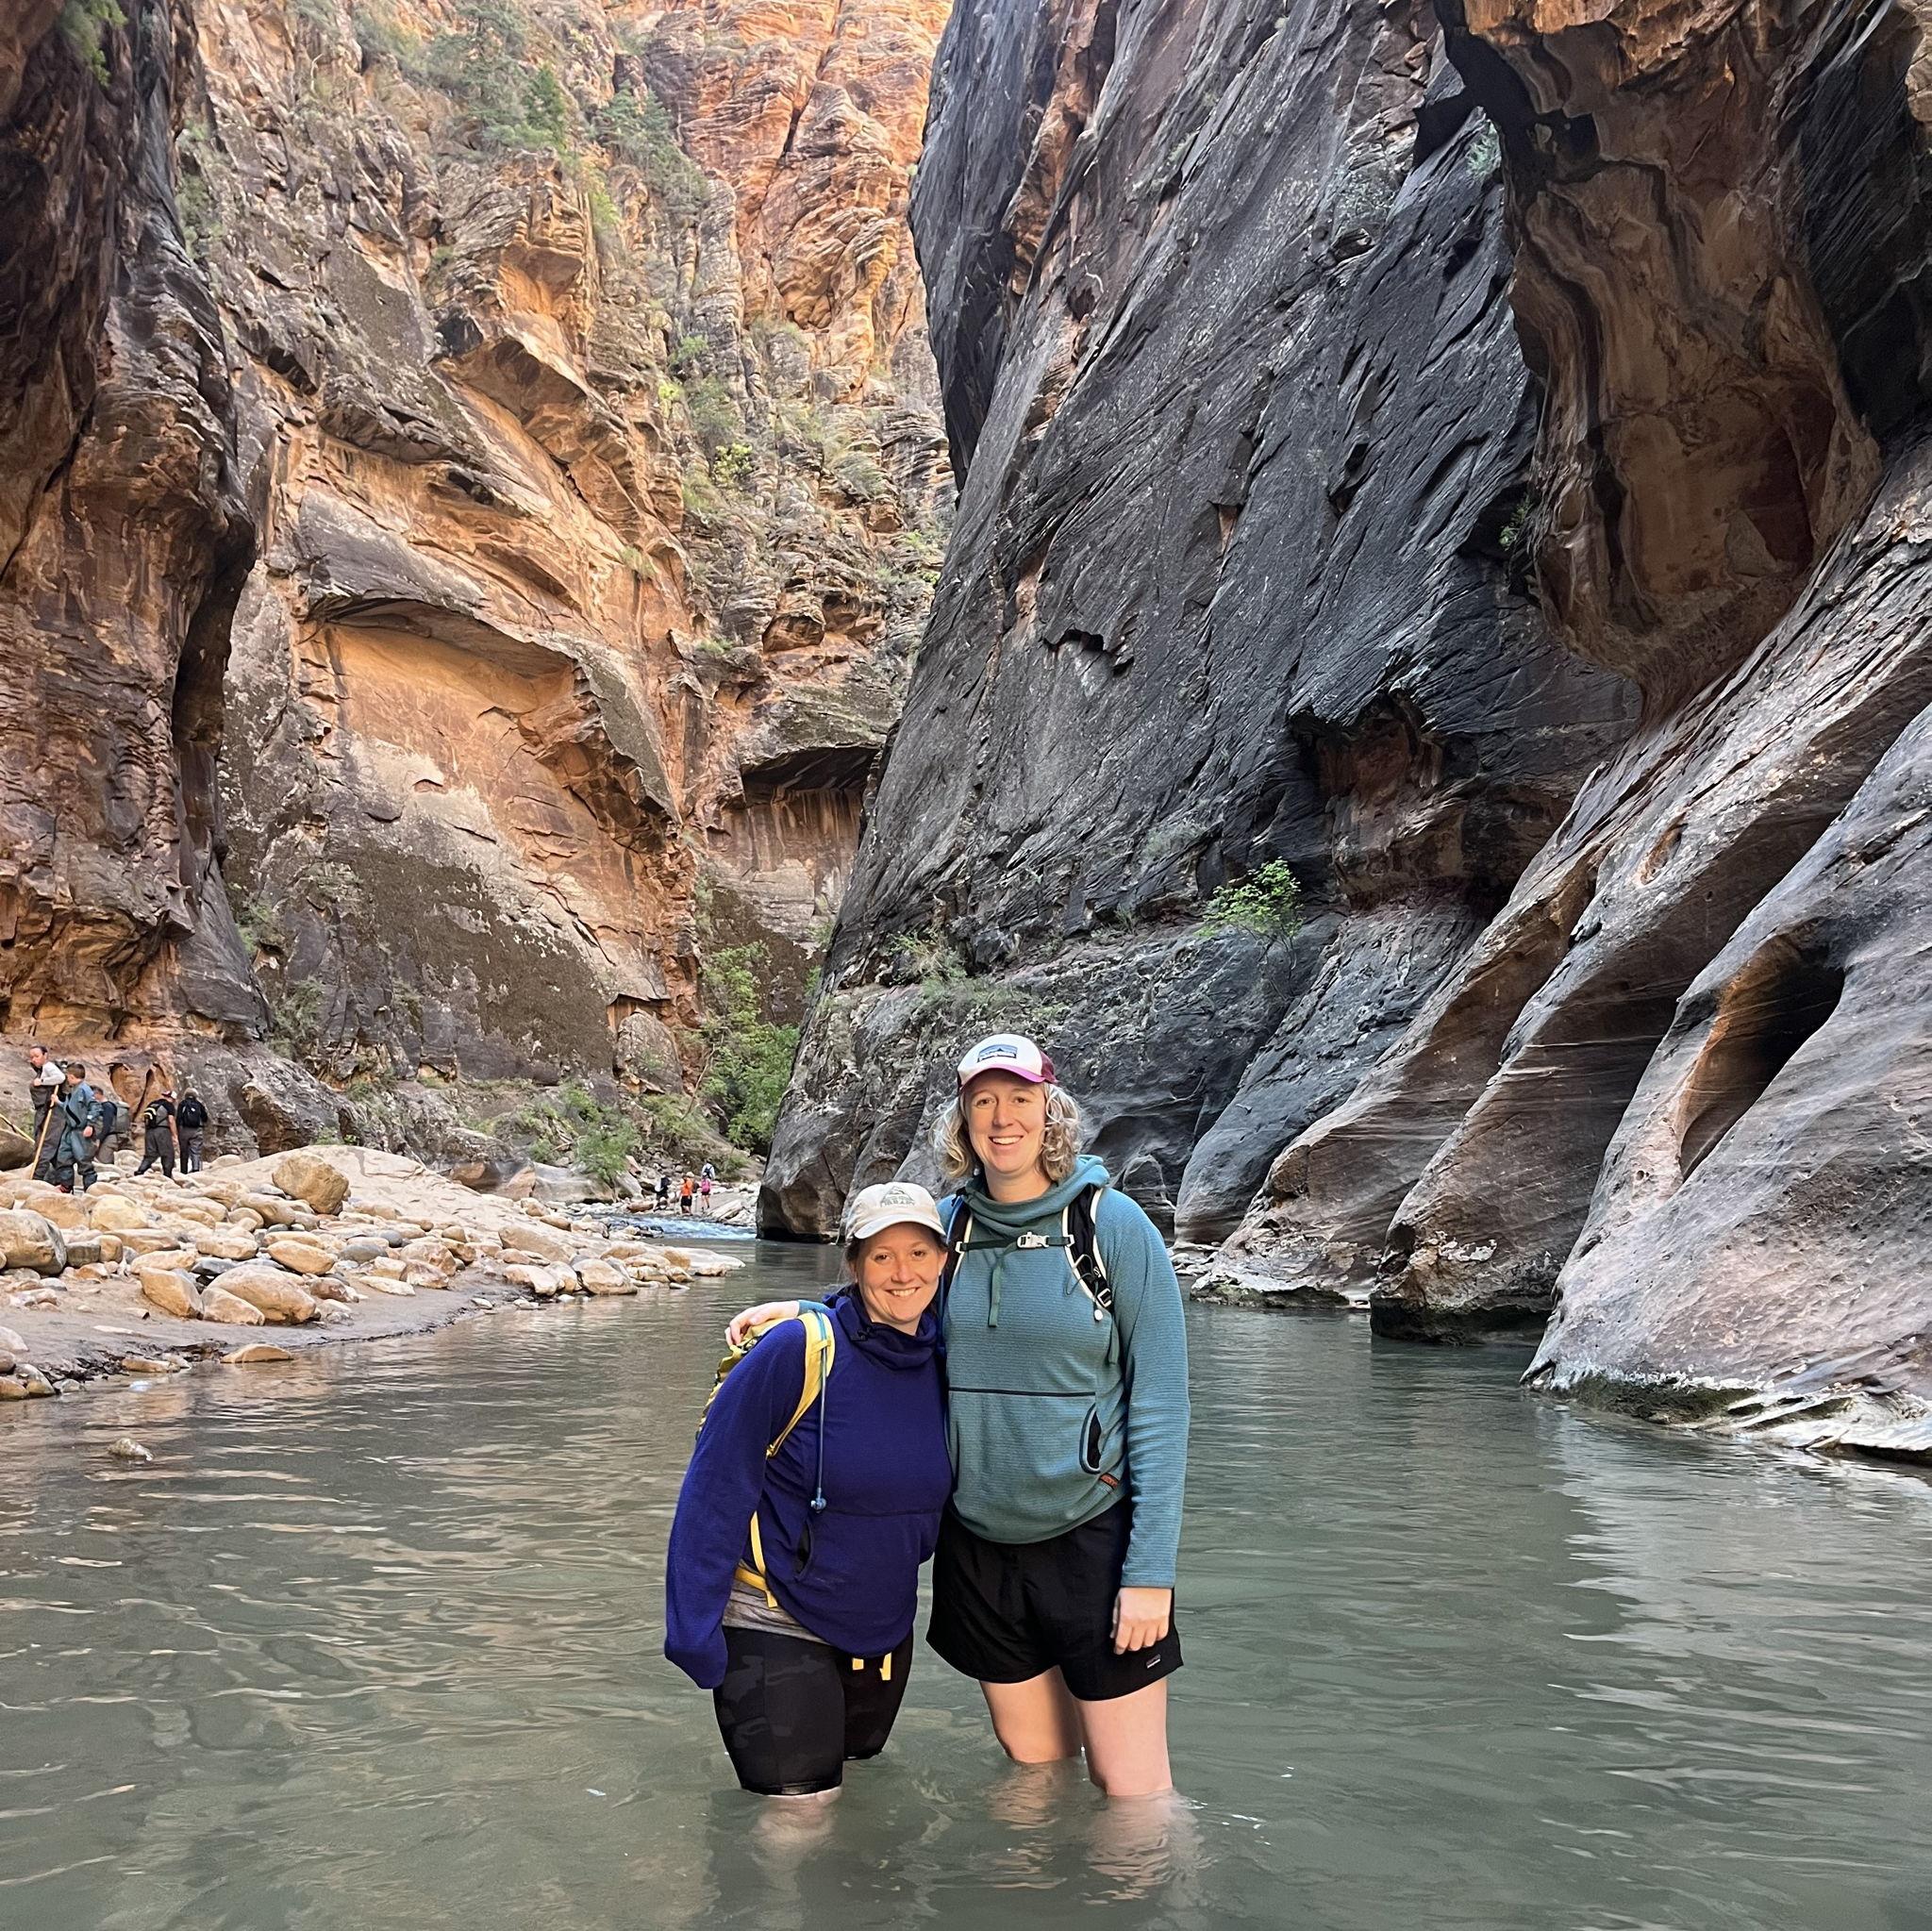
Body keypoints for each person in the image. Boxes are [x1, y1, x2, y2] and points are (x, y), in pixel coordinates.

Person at [725, 1033, 1191, 1799]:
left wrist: (1152, 1573)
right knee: (1035, 1773)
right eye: (983, 1102)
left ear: (1052, 1111)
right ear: (963, 1120)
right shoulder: (949, 1228)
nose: (1002, 1118)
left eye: (1019, 1099)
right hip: (978, 1547)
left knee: (1134, 1793)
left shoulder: (1113, 1229)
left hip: (1093, 1542)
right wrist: (806, 1311)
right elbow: (888, 1304)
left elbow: (1164, 1404)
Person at [664, 1181, 952, 1801]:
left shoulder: (952, 1360)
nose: (903, 1272)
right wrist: (691, 1627)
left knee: (860, 1808)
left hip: (879, 1625)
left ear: (945, 1260)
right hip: (773, 1612)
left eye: (920, 1252)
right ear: (853, 1263)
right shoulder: (796, 1351)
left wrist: (805, 1301)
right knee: (801, 1814)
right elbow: (714, 1485)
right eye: (881, 1255)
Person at [50, 1062, 102, 1192]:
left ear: (71, 1076)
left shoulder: (85, 1090)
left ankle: (90, 1189)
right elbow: (70, 1109)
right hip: (70, 1130)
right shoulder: (73, 1091)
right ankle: (66, 1186)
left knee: (83, 1160)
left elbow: (95, 1107)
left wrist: (90, 1125)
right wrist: (58, 1103)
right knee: (64, 1158)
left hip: (81, 1131)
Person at [27, 1047, 64, 1177]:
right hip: (43, 1111)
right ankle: (58, 1178)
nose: (34, 1059)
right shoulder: (42, 1070)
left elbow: (60, 1078)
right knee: (42, 1143)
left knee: (46, 1144)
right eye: (32, 1057)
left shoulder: (48, 1066)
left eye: (37, 1056)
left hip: (52, 1112)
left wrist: (41, 1081)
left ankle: (38, 1176)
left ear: (45, 1055)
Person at [135, 1089, 178, 1178]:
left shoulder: (152, 1104)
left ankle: (140, 1170)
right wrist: (175, 1135)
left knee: (150, 1154)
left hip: (149, 1131)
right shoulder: (168, 1105)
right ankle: (167, 1175)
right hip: (162, 1131)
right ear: (172, 1099)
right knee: (167, 1153)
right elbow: (171, 1121)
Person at [175, 1087, 208, 1173]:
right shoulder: (199, 1104)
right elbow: (205, 1118)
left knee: (184, 1151)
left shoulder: (182, 1104)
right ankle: (196, 1168)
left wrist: (177, 1129)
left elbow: (178, 1118)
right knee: (196, 1150)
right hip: (197, 1130)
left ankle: (183, 1171)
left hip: (184, 1130)